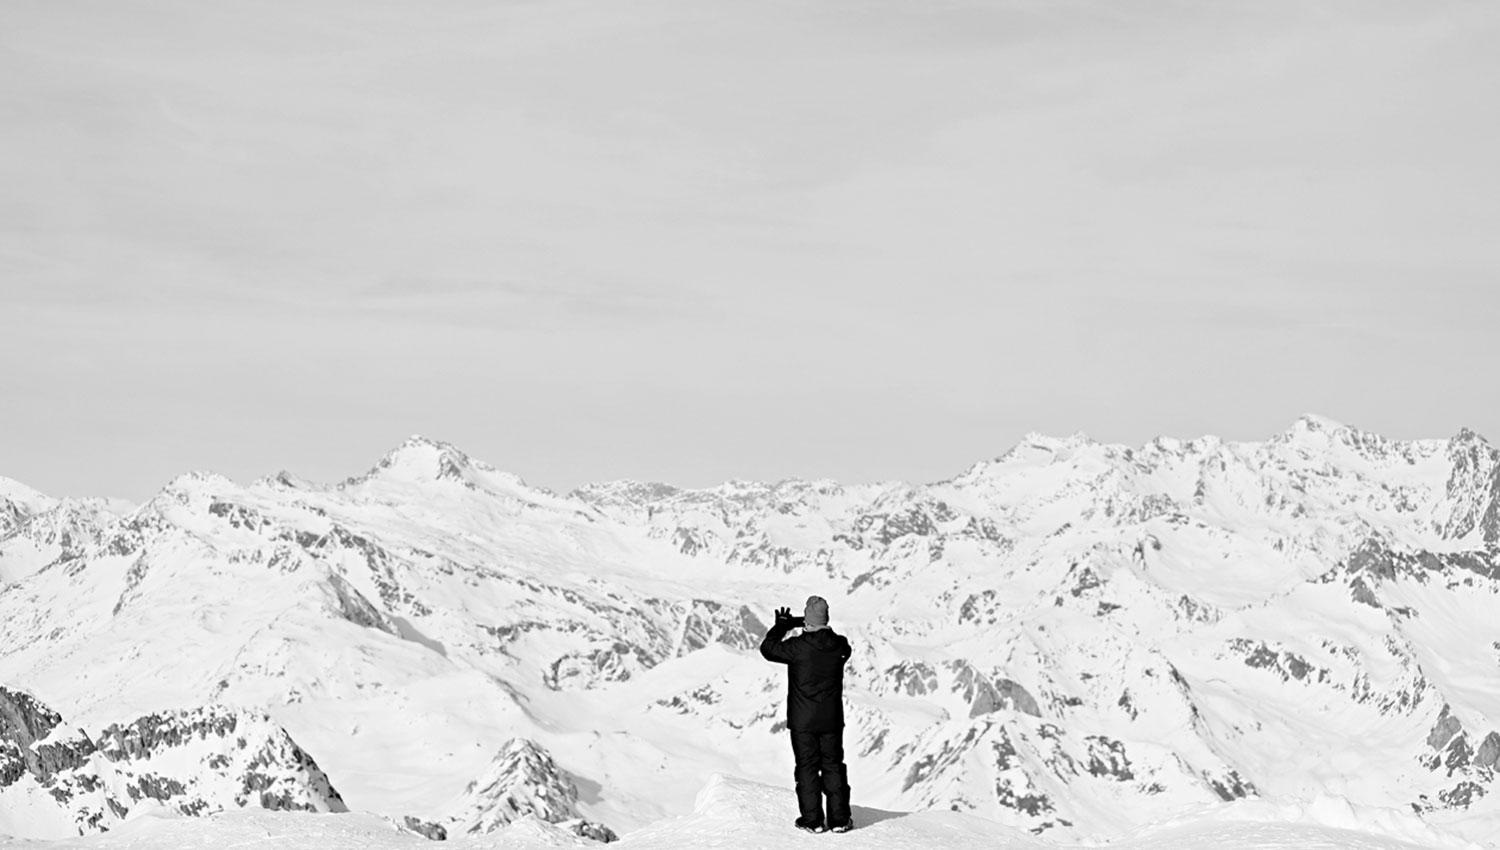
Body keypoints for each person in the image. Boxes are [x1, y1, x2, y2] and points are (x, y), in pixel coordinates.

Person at [759, 595, 853, 833]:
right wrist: (809, 622)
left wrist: (784, 625)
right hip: (832, 719)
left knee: (807, 767)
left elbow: (767, 648)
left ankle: (813, 821)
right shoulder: (840, 645)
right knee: (833, 766)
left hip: (803, 721)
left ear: (808, 621)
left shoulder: (797, 648)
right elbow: (827, 634)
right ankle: (839, 820)